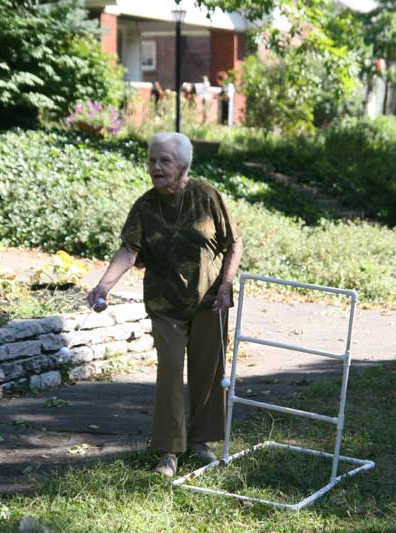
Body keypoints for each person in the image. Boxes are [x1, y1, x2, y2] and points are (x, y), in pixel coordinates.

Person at [87, 132, 244, 478]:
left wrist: (227, 286)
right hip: (165, 303)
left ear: (183, 166)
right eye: (152, 161)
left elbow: (234, 243)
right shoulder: (145, 206)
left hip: (209, 300)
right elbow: (129, 251)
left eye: (164, 161)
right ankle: (169, 451)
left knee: (207, 372)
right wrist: (103, 286)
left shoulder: (206, 196)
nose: (156, 167)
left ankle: (201, 443)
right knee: (170, 372)